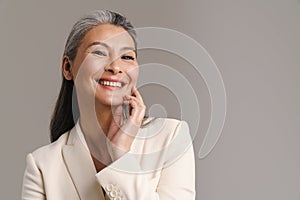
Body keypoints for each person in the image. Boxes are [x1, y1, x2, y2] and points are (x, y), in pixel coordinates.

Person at [22, 9, 195, 200]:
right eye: (99, 52)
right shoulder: (42, 165)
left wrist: (121, 156)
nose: (115, 67)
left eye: (127, 57)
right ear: (68, 67)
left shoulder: (171, 137)